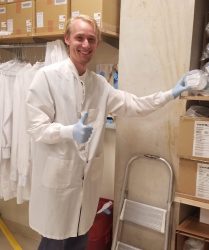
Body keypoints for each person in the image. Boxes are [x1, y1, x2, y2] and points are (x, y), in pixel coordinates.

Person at [26, 15, 190, 250]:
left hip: (86, 188)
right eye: (79, 38)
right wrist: (69, 131)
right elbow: (35, 127)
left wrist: (171, 93)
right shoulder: (47, 77)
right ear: (66, 39)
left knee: (80, 240)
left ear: (97, 44)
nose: (85, 45)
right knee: (54, 243)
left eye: (91, 39)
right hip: (58, 185)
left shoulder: (99, 85)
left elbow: (134, 105)